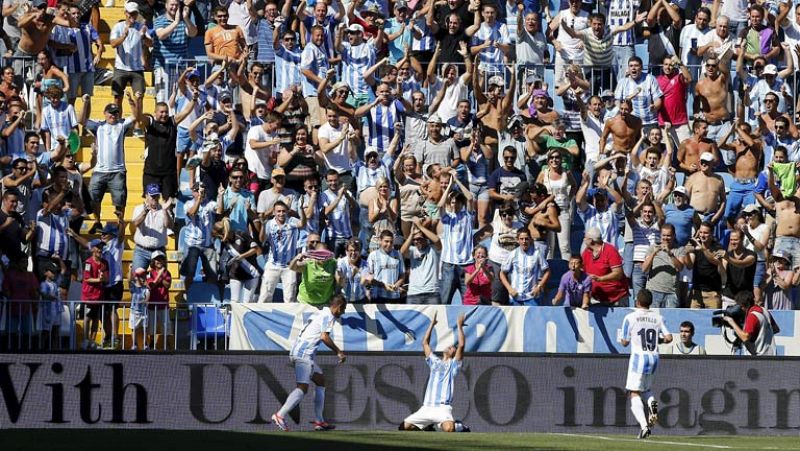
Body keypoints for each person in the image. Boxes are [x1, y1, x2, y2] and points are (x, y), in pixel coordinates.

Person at [272, 294, 347, 432]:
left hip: (301, 353)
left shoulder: (320, 313)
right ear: (338, 306)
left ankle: (319, 421)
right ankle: (280, 415)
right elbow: (324, 336)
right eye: (343, 310)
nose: (342, 313)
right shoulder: (328, 316)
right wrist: (338, 351)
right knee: (302, 388)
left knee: (321, 381)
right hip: (303, 354)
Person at [619, 288, 673, 440]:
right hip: (654, 357)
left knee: (634, 392)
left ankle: (644, 427)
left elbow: (624, 342)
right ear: (650, 303)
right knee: (647, 389)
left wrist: (625, 338)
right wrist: (658, 340)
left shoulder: (630, 317)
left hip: (638, 358)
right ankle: (652, 406)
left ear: (637, 301)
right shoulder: (658, 318)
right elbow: (669, 338)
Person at [401, 312, 465, 433]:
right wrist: (432, 324)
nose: (450, 347)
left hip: (442, 408)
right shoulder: (434, 361)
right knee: (404, 427)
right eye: (450, 346)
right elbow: (425, 343)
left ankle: (460, 427)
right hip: (427, 407)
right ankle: (428, 426)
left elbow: (461, 345)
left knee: (449, 429)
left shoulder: (453, 365)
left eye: (452, 348)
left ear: (453, 353)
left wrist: (459, 326)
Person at [258, 199, 306, 303]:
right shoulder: (269, 224)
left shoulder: (292, 221)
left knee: (290, 297)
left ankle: (289, 318)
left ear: (287, 211)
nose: (281, 213)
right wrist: (262, 225)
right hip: (273, 263)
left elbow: (302, 224)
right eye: (278, 211)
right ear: (274, 212)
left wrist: (301, 209)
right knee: (265, 295)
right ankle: (262, 317)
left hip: (290, 265)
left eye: (283, 211)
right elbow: (262, 239)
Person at [499, 228, 550, 306]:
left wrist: (540, 286)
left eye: (526, 239)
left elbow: (547, 271)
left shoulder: (537, 253)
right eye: (521, 239)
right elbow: (502, 273)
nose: (524, 241)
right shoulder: (513, 254)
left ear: (530, 239)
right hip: (516, 297)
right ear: (518, 240)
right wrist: (509, 289)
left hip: (532, 296)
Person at [582, 227, 628, 306]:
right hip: (596, 299)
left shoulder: (610, 250)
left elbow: (618, 273)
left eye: (585, 237)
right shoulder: (586, 252)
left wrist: (600, 279)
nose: (583, 239)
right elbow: (582, 270)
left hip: (616, 298)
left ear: (591, 240)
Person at [641, 224, 685, 308]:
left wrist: (670, 254)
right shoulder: (653, 247)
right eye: (664, 235)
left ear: (674, 236)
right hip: (653, 291)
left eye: (668, 236)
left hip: (671, 293)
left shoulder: (680, 249)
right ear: (660, 235)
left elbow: (680, 268)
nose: (666, 238)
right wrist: (654, 253)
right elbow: (644, 269)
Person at [724, 291, 778, 356]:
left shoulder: (752, 316)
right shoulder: (764, 310)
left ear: (742, 306)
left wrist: (731, 322)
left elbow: (745, 337)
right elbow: (775, 329)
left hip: (759, 356)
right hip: (772, 354)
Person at [685, 222, 725, 309]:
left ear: (711, 234)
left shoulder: (717, 247)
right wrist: (687, 253)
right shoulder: (695, 245)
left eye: (705, 233)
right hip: (697, 291)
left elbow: (715, 261)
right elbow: (689, 265)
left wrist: (703, 249)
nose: (702, 235)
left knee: (713, 321)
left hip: (712, 292)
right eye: (701, 232)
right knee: (693, 320)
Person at [289, 234, 337, 307]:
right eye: (320, 254)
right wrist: (296, 258)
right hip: (305, 302)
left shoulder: (333, 263)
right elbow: (292, 267)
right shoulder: (308, 262)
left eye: (324, 254)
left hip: (325, 303)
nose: (322, 257)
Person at [401, 219, 441, 305]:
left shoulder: (433, 249)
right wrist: (411, 234)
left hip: (432, 293)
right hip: (413, 294)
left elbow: (437, 240)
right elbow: (402, 252)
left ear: (426, 239)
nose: (416, 241)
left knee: (435, 319)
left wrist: (420, 227)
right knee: (411, 319)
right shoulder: (412, 250)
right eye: (414, 240)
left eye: (419, 239)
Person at [365, 230, 406, 303]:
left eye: (391, 242)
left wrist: (397, 285)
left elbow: (402, 275)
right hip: (378, 296)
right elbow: (368, 277)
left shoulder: (398, 255)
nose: (389, 244)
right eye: (386, 241)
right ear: (380, 241)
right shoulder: (373, 255)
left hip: (394, 296)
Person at [128, 267, 150, 351]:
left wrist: (144, 301)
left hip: (144, 313)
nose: (143, 278)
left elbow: (147, 299)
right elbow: (129, 280)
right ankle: (134, 344)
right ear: (136, 277)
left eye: (144, 276)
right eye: (141, 276)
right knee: (134, 329)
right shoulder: (133, 287)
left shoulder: (146, 289)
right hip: (134, 312)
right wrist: (130, 269)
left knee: (145, 329)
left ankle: (145, 344)